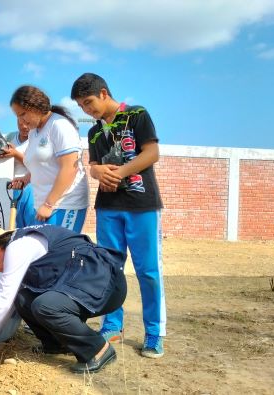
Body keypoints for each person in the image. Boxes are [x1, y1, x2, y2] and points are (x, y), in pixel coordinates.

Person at [71, 72, 166, 358]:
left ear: (103, 93)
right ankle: (112, 325)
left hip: (142, 205)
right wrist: (97, 171)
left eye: (89, 102)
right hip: (108, 208)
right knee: (110, 269)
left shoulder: (137, 115)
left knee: (148, 271)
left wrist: (121, 172)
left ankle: (153, 334)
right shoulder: (94, 132)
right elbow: (94, 165)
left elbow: (152, 153)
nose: (87, 110)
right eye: (81, 107)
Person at [0, 224, 127, 373]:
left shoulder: (18, 248)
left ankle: (97, 349)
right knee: (22, 298)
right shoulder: (20, 246)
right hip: (85, 283)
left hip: (107, 285)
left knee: (45, 306)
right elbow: (10, 304)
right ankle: (57, 344)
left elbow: (3, 301)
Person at [9, 85, 89, 231]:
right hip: (43, 205)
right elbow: (43, 166)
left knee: (59, 252)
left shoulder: (59, 126)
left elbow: (70, 167)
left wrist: (49, 204)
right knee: (42, 252)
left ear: (35, 106)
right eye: (18, 116)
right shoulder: (34, 132)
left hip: (65, 204)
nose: (21, 121)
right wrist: (25, 179)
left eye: (23, 114)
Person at [0, 120, 35, 228]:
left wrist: (16, 154)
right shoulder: (10, 137)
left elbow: (38, 166)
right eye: (20, 121)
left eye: (27, 122)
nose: (24, 126)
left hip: (29, 188)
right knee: (9, 224)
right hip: (9, 188)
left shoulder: (37, 138)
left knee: (27, 224)